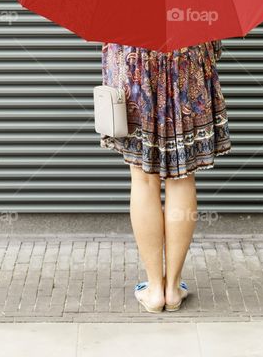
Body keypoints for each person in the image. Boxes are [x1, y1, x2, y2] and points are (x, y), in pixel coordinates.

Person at [99, 40, 231, 313]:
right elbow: (216, 39)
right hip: (188, 62)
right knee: (181, 178)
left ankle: (153, 289)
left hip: (134, 64)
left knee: (143, 179)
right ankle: (172, 287)